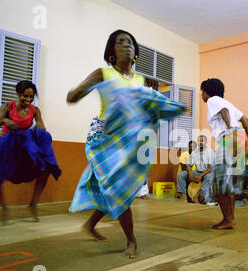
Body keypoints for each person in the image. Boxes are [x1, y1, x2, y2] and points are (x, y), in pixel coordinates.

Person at [66, 30, 185, 258]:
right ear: (111, 53)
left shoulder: (140, 81)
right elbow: (73, 97)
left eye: (130, 42)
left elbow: (146, 112)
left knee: (112, 187)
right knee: (117, 186)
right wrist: (77, 91)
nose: (126, 45)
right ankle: (131, 241)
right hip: (103, 139)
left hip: (129, 140)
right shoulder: (103, 74)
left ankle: (90, 224)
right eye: (120, 42)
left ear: (136, 53)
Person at [0, 80, 61, 224]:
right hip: (7, 144)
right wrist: (5, 121)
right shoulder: (8, 106)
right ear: (18, 94)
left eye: (31, 97)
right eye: (25, 96)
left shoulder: (35, 110)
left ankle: (33, 203)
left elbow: (41, 126)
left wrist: (39, 125)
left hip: (24, 146)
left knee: (46, 166)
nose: (28, 100)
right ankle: (4, 208)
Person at [201, 78, 248, 229]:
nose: (201, 94)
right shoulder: (228, 102)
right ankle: (231, 218)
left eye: (202, 91)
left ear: (207, 91)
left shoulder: (213, 100)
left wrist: (230, 130)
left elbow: (224, 112)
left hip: (229, 138)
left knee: (219, 182)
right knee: (231, 184)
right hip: (241, 139)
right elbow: (246, 119)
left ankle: (228, 219)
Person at [176, 135, 215, 203]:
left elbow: (211, 168)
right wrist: (190, 174)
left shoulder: (210, 152)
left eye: (202, 141)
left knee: (210, 177)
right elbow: (189, 165)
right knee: (181, 174)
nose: (200, 142)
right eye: (199, 141)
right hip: (197, 172)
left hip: (207, 173)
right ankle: (184, 196)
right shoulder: (194, 152)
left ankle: (197, 195)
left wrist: (201, 175)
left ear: (206, 142)